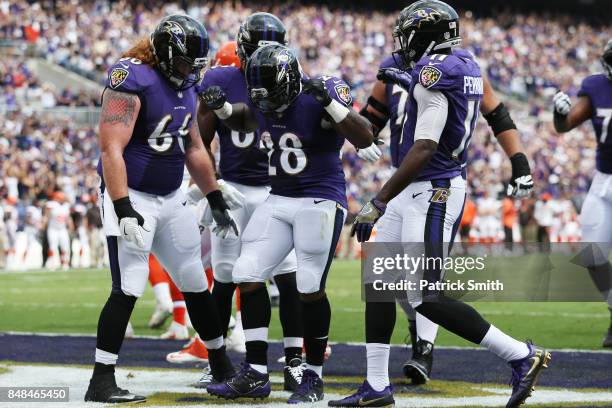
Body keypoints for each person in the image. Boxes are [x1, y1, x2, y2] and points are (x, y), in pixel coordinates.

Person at [331, 2, 550, 408]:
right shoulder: (459, 62)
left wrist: (378, 200)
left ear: (427, 34)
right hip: (413, 187)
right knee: (379, 286)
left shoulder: (436, 72)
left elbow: (427, 145)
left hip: (434, 189)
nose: (402, 42)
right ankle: (376, 385)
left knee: (426, 296)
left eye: (408, 33)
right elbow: (373, 126)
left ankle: (521, 355)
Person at [202, 44, 373, 403]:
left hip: (319, 198)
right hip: (278, 197)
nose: (267, 104)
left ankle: (313, 376)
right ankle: (257, 372)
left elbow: (365, 136)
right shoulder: (264, 97)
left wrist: (332, 104)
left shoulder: (319, 92)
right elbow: (245, 119)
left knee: (309, 284)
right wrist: (223, 108)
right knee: (246, 273)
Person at [84, 15, 236, 403]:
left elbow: (195, 147)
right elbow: (110, 149)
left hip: (171, 197)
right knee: (130, 284)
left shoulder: (185, 85)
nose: (191, 71)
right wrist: (122, 206)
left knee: (195, 281)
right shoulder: (131, 79)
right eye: (186, 62)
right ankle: (101, 380)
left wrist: (214, 195)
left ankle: (221, 366)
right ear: (167, 55)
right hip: (131, 194)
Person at [187, 15, 304, 391]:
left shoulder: (283, 76)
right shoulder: (220, 79)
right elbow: (199, 141)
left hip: (276, 190)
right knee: (226, 278)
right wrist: (213, 185)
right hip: (237, 187)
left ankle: (294, 359)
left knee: (287, 278)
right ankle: (219, 360)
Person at [552, 38, 612, 347]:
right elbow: (565, 126)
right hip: (604, 180)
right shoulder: (597, 86)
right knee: (591, 253)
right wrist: (558, 113)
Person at [43, 191, 72, 270]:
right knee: (53, 247)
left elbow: (68, 218)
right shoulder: (51, 205)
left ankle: (65, 263)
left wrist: (70, 227)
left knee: (65, 247)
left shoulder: (66, 206)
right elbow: (46, 216)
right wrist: (43, 225)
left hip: (62, 229)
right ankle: (52, 263)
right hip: (53, 229)